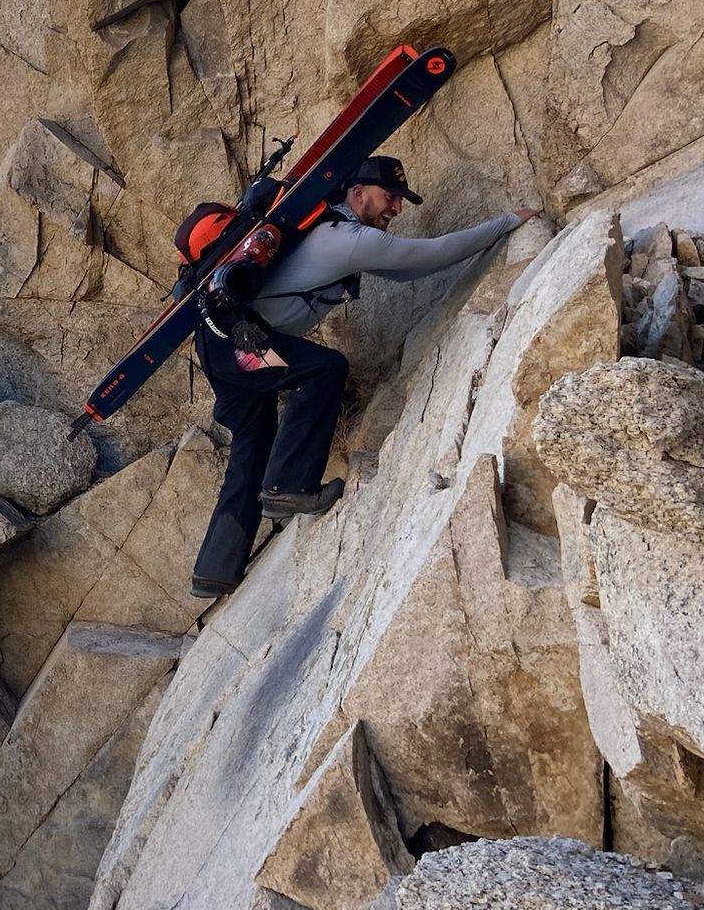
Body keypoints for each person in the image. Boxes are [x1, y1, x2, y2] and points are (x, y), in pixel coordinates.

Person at [189, 155, 541, 598]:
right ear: (357, 194)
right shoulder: (346, 238)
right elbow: (429, 257)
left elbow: (407, 269)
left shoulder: (337, 233)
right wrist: (507, 222)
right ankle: (290, 488)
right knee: (325, 368)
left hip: (223, 337)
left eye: (400, 200)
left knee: (253, 443)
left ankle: (215, 570)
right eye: (388, 197)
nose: (396, 207)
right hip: (242, 345)